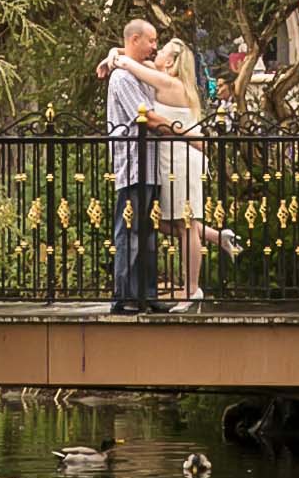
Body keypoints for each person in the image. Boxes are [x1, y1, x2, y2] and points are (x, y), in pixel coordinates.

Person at [102, 37, 243, 307]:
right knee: (165, 221)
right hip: (169, 163)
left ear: (169, 61)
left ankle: (192, 290)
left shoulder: (168, 82)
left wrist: (115, 58)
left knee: (185, 223)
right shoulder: (164, 78)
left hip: (182, 160)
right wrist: (113, 53)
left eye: (162, 48)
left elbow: (127, 61)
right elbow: (129, 56)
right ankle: (218, 236)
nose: (156, 50)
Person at [100, 19, 174, 314]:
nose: (155, 46)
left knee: (148, 232)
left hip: (149, 165)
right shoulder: (123, 78)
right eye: (151, 41)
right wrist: (187, 131)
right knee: (128, 231)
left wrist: (113, 53)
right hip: (132, 165)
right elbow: (149, 118)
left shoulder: (137, 73)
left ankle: (147, 293)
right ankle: (123, 296)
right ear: (134, 39)